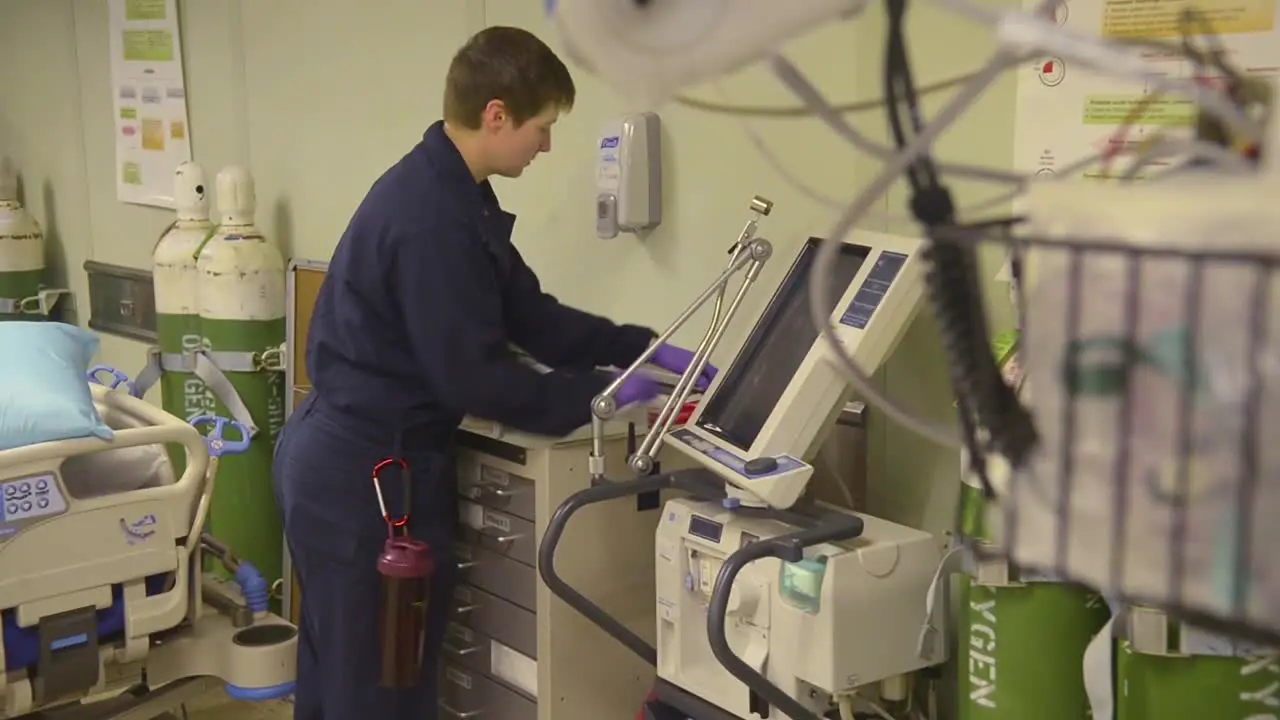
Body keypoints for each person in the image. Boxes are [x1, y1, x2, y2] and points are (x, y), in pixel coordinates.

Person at [272, 26, 716, 719]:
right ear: (496, 115)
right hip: (364, 476)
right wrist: (599, 397)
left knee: (351, 681)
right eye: (541, 128)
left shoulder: (453, 193)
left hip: (351, 457)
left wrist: (641, 348)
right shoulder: (430, 219)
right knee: (377, 691)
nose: (546, 146)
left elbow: (530, 316)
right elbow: (472, 380)